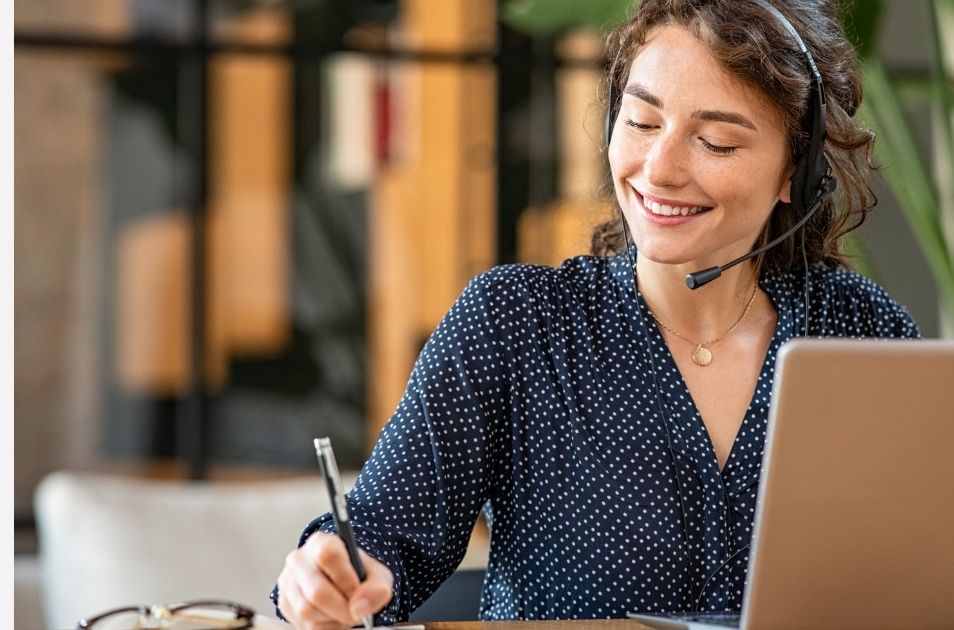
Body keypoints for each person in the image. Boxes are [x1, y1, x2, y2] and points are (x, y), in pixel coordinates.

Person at [272, 0, 920, 627]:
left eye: (717, 142)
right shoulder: (516, 324)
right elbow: (376, 544)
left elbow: (936, 570)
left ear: (795, 174)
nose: (659, 169)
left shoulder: (865, 336)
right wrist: (326, 575)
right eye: (641, 122)